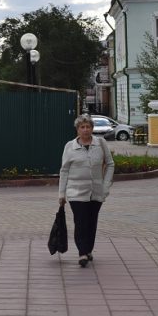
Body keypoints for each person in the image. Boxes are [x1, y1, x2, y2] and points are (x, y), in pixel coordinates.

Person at [58, 113, 114, 267]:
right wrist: (61, 194)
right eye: (82, 127)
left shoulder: (100, 143)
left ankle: (88, 249)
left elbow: (110, 164)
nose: (85, 130)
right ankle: (82, 253)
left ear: (92, 128)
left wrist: (106, 185)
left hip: (96, 191)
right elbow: (64, 170)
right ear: (77, 129)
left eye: (88, 126)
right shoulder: (70, 146)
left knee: (91, 221)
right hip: (76, 192)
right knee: (80, 221)